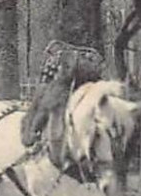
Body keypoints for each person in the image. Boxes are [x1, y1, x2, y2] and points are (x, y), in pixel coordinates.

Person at [20, 41, 107, 169]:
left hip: (67, 83)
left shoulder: (60, 65)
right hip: (77, 79)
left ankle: (35, 136)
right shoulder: (89, 57)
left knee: (47, 103)